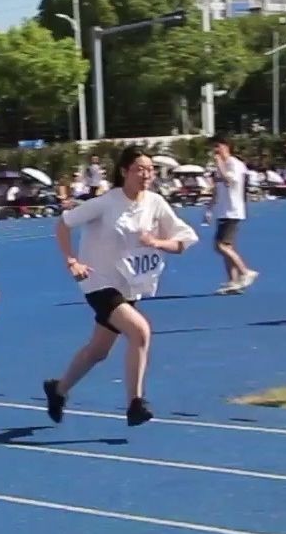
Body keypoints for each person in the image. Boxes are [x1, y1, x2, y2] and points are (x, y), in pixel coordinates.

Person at [44, 146, 196, 427]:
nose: (146, 174)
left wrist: (158, 243)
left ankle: (58, 389)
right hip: (98, 281)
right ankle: (135, 403)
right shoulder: (106, 203)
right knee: (140, 331)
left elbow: (184, 241)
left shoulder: (155, 203)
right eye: (139, 169)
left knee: (98, 351)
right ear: (124, 172)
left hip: (129, 286)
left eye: (150, 169)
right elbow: (63, 225)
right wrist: (71, 261)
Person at [207, 138, 256, 294]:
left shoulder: (234, 164)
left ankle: (245, 272)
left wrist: (220, 165)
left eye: (217, 146)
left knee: (220, 246)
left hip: (232, 210)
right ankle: (233, 281)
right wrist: (210, 208)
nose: (215, 150)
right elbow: (218, 188)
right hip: (223, 210)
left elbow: (229, 181)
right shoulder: (220, 166)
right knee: (227, 247)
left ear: (226, 146)